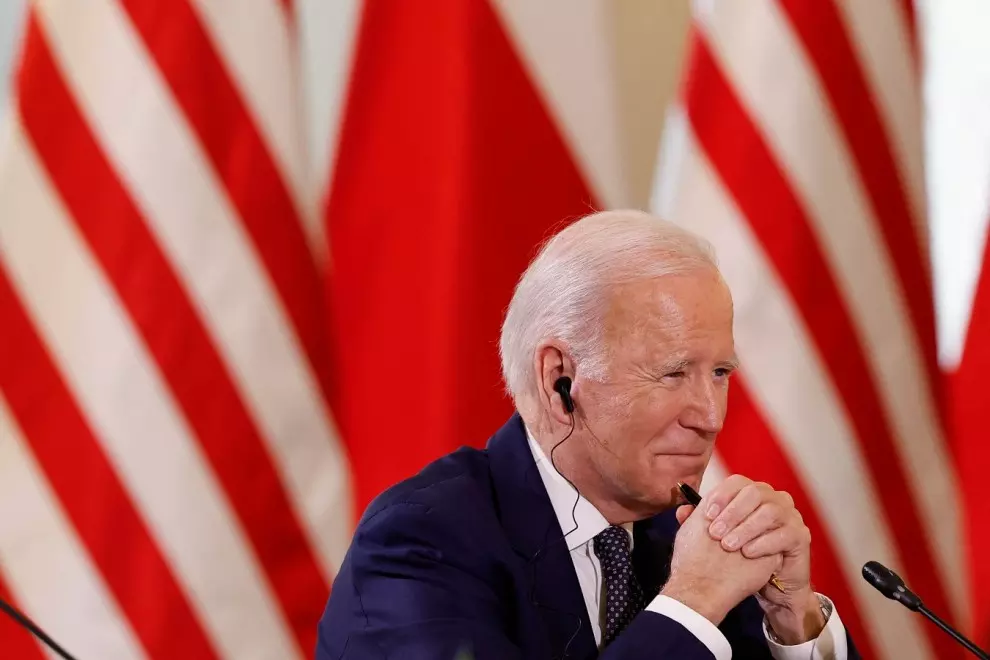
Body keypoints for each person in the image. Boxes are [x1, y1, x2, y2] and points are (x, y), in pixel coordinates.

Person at [317, 210, 859, 659]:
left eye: (720, 374)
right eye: (673, 373)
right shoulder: (421, 543)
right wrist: (691, 603)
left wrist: (794, 620)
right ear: (559, 380)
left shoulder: (687, 541)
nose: (710, 415)